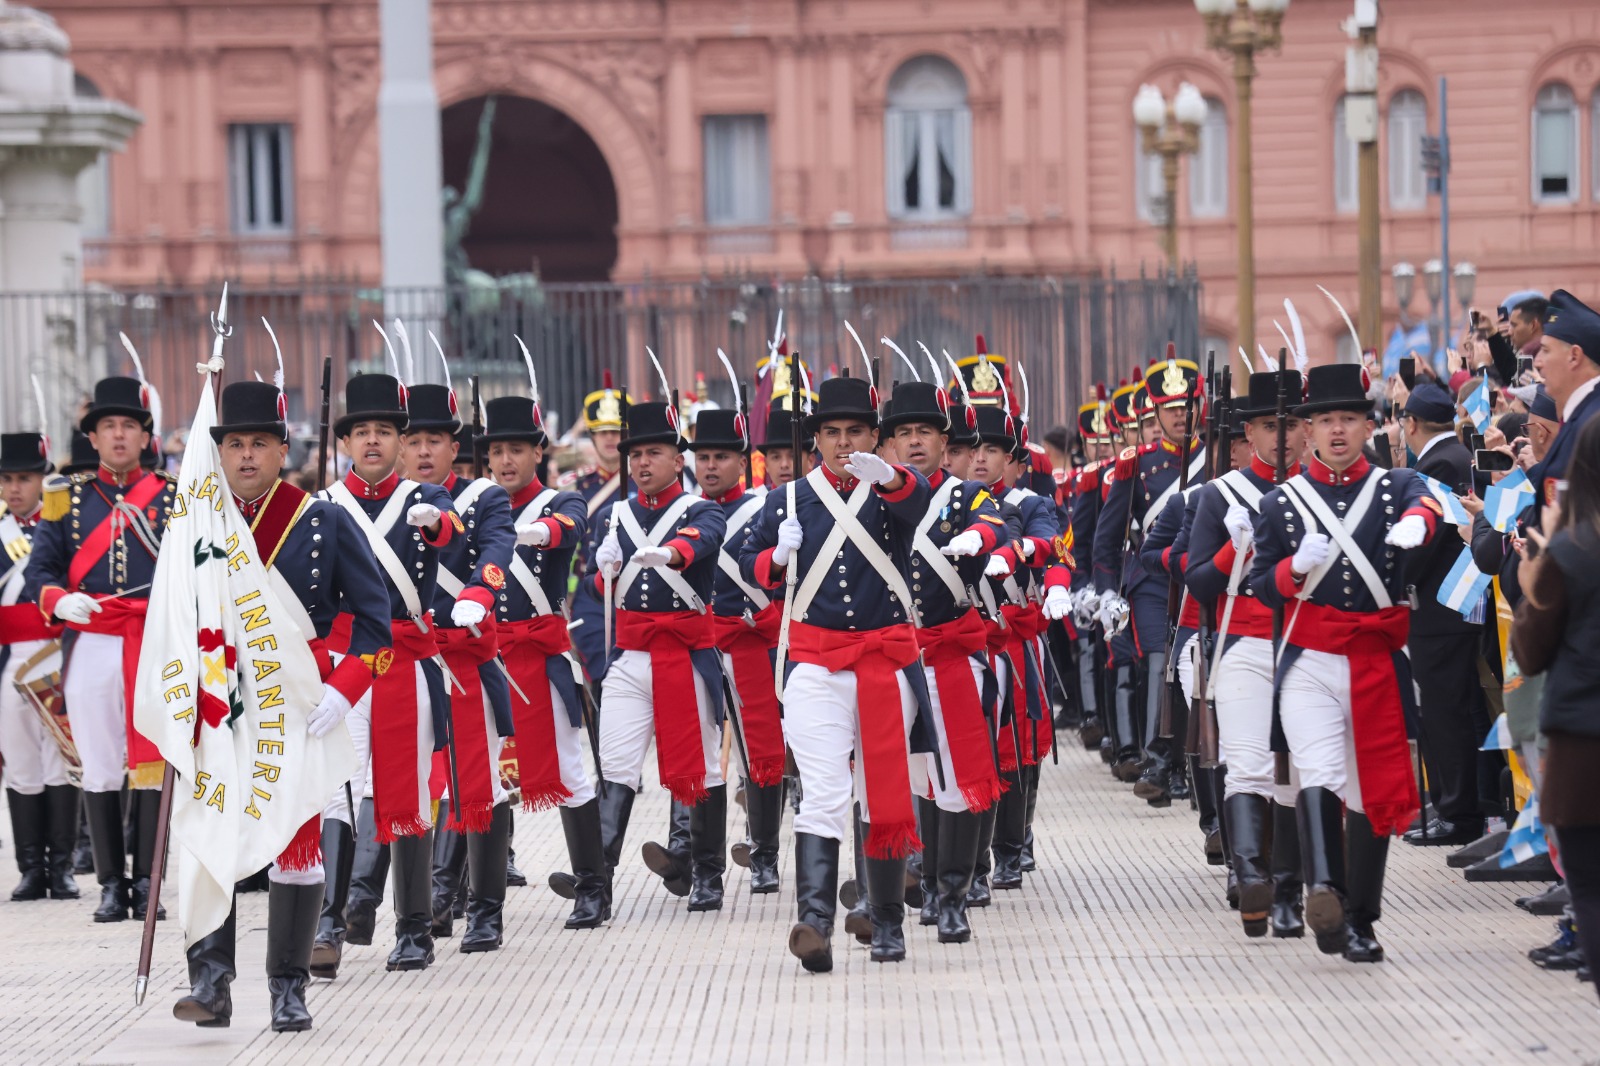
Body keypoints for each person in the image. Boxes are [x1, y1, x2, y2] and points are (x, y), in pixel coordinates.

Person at [172, 379, 390, 1031]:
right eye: (235, 443)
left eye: (259, 443)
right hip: (218, 708)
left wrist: (344, 689)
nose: (246, 455)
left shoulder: (321, 521)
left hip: (296, 706)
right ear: (219, 452)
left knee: (298, 846)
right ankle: (211, 984)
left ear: (281, 449)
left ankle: (288, 989)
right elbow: (172, 622)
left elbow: (375, 625)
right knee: (211, 840)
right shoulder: (196, 524)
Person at [1248, 363, 1443, 964]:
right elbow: (1262, 585)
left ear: (1368, 426)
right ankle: (1325, 893)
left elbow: (1427, 504)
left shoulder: (1394, 484)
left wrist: (1418, 525)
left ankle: (1361, 918)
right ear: (1307, 430)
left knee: (1366, 790)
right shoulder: (1282, 502)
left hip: (1375, 658)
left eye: (1349, 419)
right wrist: (1294, 569)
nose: (1337, 430)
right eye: (1326, 419)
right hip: (1309, 659)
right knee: (1320, 771)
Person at [740, 375, 932, 972]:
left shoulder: (892, 488)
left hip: (883, 663)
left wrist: (890, 477)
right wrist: (775, 557)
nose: (843, 443)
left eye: (855, 432)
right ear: (816, 440)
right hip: (815, 664)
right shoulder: (787, 501)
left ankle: (887, 921)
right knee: (822, 791)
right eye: (831, 433)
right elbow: (746, 562)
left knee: (879, 792)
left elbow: (919, 502)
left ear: (875, 437)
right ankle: (815, 923)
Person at [319, 373, 461, 973]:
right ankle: (327, 925)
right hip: (346, 664)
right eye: (361, 432)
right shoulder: (325, 504)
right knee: (337, 787)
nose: (372, 441)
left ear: (401, 442)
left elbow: (450, 531)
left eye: (384, 431)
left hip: (406, 658)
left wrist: (433, 522)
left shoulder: (425, 498)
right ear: (346, 442)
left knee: (409, 793)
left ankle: (412, 930)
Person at [25, 376, 178, 923]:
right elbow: (41, 570)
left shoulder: (172, 496)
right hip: (90, 639)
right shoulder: (64, 498)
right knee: (99, 764)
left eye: (128, 426)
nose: (118, 435)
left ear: (144, 437)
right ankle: (112, 885)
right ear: (92, 437)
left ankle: (148, 881)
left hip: (152, 641)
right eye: (108, 426)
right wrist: (59, 600)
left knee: (154, 765)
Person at [584, 400, 729, 911]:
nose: (643, 463)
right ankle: (595, 886)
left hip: (686, 654)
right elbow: (598, 586)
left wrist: (669, 553)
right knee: (615, 766)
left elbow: (701, 540)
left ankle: (707, 874)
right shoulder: (614, 515)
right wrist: (603, 571)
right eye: (636, 455)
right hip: (630, 655)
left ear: (677, 459)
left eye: (654, 453)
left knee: (704, 767)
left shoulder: (701, 509)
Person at [882, 380, 1010, 942]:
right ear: (890, 444)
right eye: (904, 433)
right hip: (891, 655)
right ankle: (895, 889)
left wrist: (978, 540)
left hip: (949, 652)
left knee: (955, 780)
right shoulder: (871, 498)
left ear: (943, 443)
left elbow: (993, 523)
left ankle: (950, 893)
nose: (915, 442)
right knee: (900, 778)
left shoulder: (964, 496)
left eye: (925, 433)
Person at [1184, 370, 1308, 938]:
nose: (1280, 437)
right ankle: (1251, 873)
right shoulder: (1221, 494)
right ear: (1249, 433)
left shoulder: (1319, 492)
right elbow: (1199, 582)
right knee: (1248, 763)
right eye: (1267, 426)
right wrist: (1233, 550)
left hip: (1306, 645)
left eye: (1290, 425)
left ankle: (1290, 890)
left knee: (1299, 772)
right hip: (1245, 643)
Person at [475, 395, 599, 929]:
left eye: (517, 450)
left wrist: (535, 532)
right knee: (481, 775)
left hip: (541, 655)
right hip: (484, 657)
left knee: (568, 770)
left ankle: (592, 887)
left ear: (538, 452)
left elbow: (570, 526)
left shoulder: (559, 500)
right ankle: (475, 899)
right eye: (497, 451)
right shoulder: (473, 505)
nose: (506, 461)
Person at [401, 383, 517, 952]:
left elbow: (497, 549)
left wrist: (479, 592)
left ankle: (485, 911)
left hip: (466, 652)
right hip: (408, 661)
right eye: (413, 440)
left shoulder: (484, 496)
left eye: (435, 440)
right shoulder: (382, 506)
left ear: (455, 447)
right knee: (414, 785)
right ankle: (424, 906)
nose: (424, 450)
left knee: (482, 785)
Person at [1511, 413, 1600, 1008]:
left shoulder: (1571, 549)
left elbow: (1530, 648)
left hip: (1582, 740)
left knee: (1590, 884)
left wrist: (1535, 566)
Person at [1091, 355, 1206, 785]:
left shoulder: (1216, 458)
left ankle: (1195, 763)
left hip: (1204, 576)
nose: (1179, 416)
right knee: (1160, 663)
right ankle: (1159, 762)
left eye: (1186, 407)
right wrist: (1106, 590)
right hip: (1153, 581)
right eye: (1170, 409)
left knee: (1201, 665)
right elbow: (1107, 537)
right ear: (1155, 412)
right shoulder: (1137, 464)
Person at [691, 406, 788, 896]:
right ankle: (696, 859)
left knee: (760, 755)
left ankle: (764, 854)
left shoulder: (765, 508)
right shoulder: (680, 514)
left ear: (742, 462)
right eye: (703, 457)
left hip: (753, 641)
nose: (711, 466)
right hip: (700, 645)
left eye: (722, 457)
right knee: (697, 753)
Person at [1398, 382, 1488, 847]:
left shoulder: (1437, 464)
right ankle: (1452, 805)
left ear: (1411, 423)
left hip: (1442, 607)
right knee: (1451, 709)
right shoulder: (1457, 455)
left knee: (1443, 712)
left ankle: (1458, 813)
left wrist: (1391, 580)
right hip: (1453, 608)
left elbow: (1424, 540)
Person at [0, 431, 78, 903]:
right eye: (7, 479)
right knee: (21, 764)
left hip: (56, 656)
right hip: (10, 662)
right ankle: (31, 869)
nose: (14, 488)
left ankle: (62, 868)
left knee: (61, 762)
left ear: (42, 481)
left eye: (24, 479)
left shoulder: (62, 528)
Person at [1527, 290, 1600, 531]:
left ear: (1574, 356)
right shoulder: (1581, 415)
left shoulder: (1593, 422)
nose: (1538, 362)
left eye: (1546, 350)